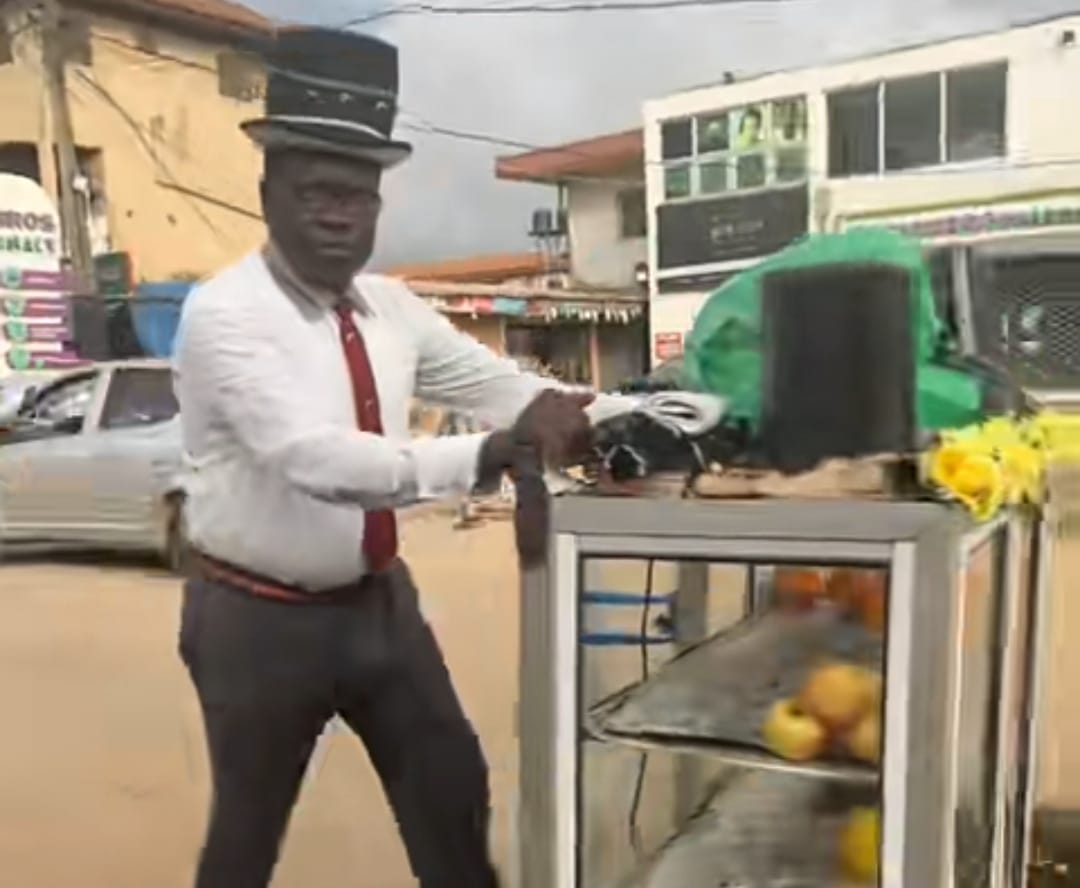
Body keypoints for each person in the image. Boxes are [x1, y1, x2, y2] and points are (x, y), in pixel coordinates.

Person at [173, 26, 624, 888]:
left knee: (452, 793)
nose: (340, 213)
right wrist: (486, 455)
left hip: (380, 607)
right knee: (247, 837)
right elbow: (316, 460)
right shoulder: (224, 315)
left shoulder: (392, 308)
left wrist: (680, 412)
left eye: (359, 195)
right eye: (316, 192)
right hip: (256, 621)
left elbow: (505, 386)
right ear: (267, 190)